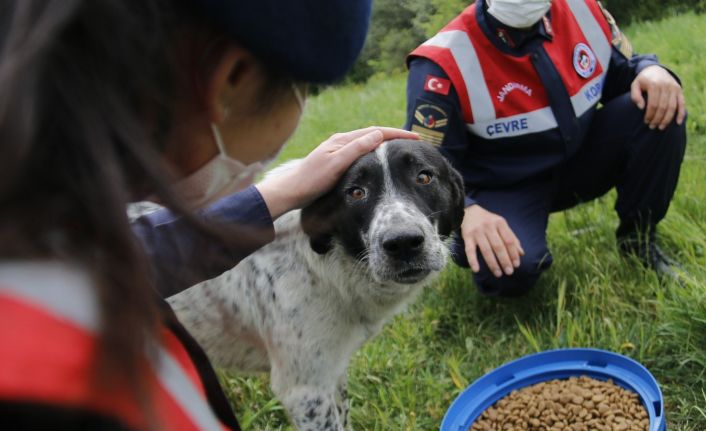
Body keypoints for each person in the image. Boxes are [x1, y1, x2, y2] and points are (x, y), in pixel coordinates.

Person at [0, 0, 417, 429]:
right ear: (233, 78)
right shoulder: (60, 384)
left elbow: (128, 251)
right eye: (304, 91)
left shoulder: (48, 235)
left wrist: (275, 194)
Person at [405, 0, 687, 297]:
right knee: (514, 269)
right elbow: (423, 167)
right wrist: (466, 211)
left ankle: (639, 243)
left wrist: (650, 69)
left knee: (660, 104)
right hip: (503, 188)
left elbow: (624, 71)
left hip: (581, 159)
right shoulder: (441, 62)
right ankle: (499, 260)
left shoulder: (583, 9)